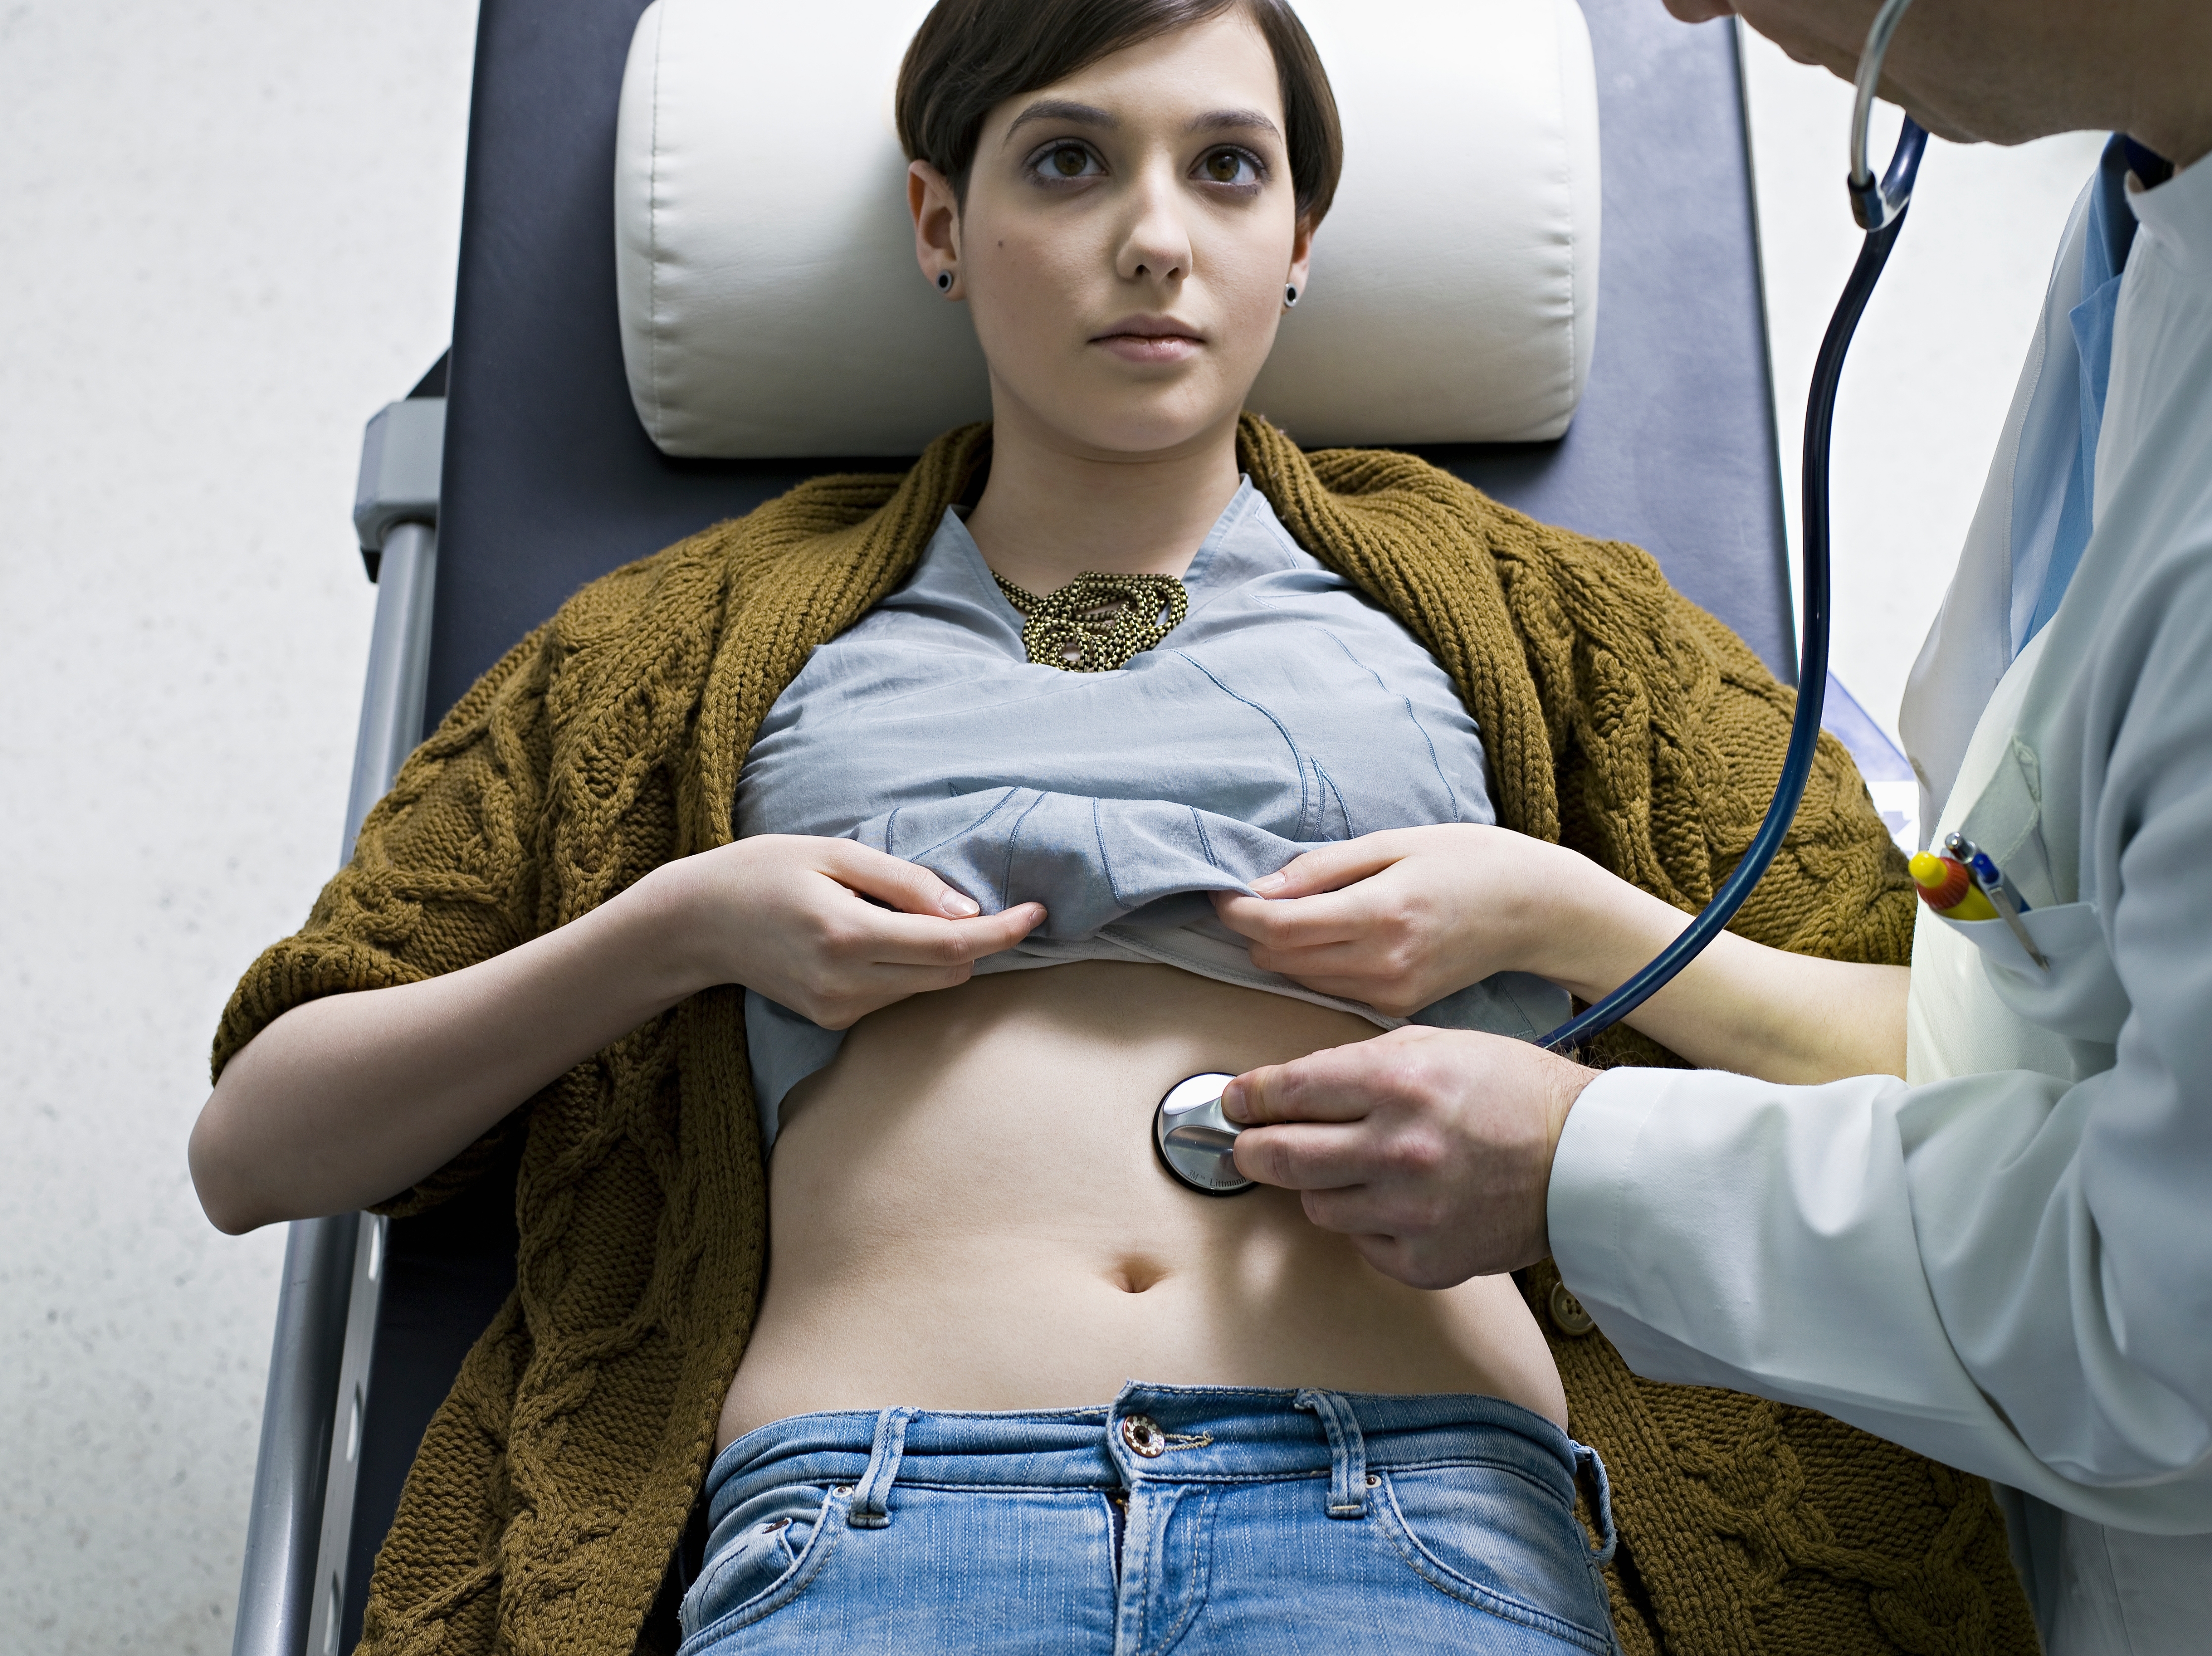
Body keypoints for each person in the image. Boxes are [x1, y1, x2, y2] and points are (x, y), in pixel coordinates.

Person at [191, 1, 2033, 1652]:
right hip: (872, 1525)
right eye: (1067, 161)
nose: (1154, 235)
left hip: (1422, 1522)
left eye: (1226, 168)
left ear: (1296, 240)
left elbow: (1955, 1063)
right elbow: (260, 1141)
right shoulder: (666, 654)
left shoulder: (1556, 623)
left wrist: (1551, 910)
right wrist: (684, 924)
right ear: (942, 226)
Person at [1211, 2, 2212, 1650]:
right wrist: (1565, 913)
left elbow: (2164, 1316)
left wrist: (1576, 1168)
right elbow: (2020, 1006)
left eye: (1233, 166)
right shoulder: (2146, 230)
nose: (1682, 11)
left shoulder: (1554, 623)